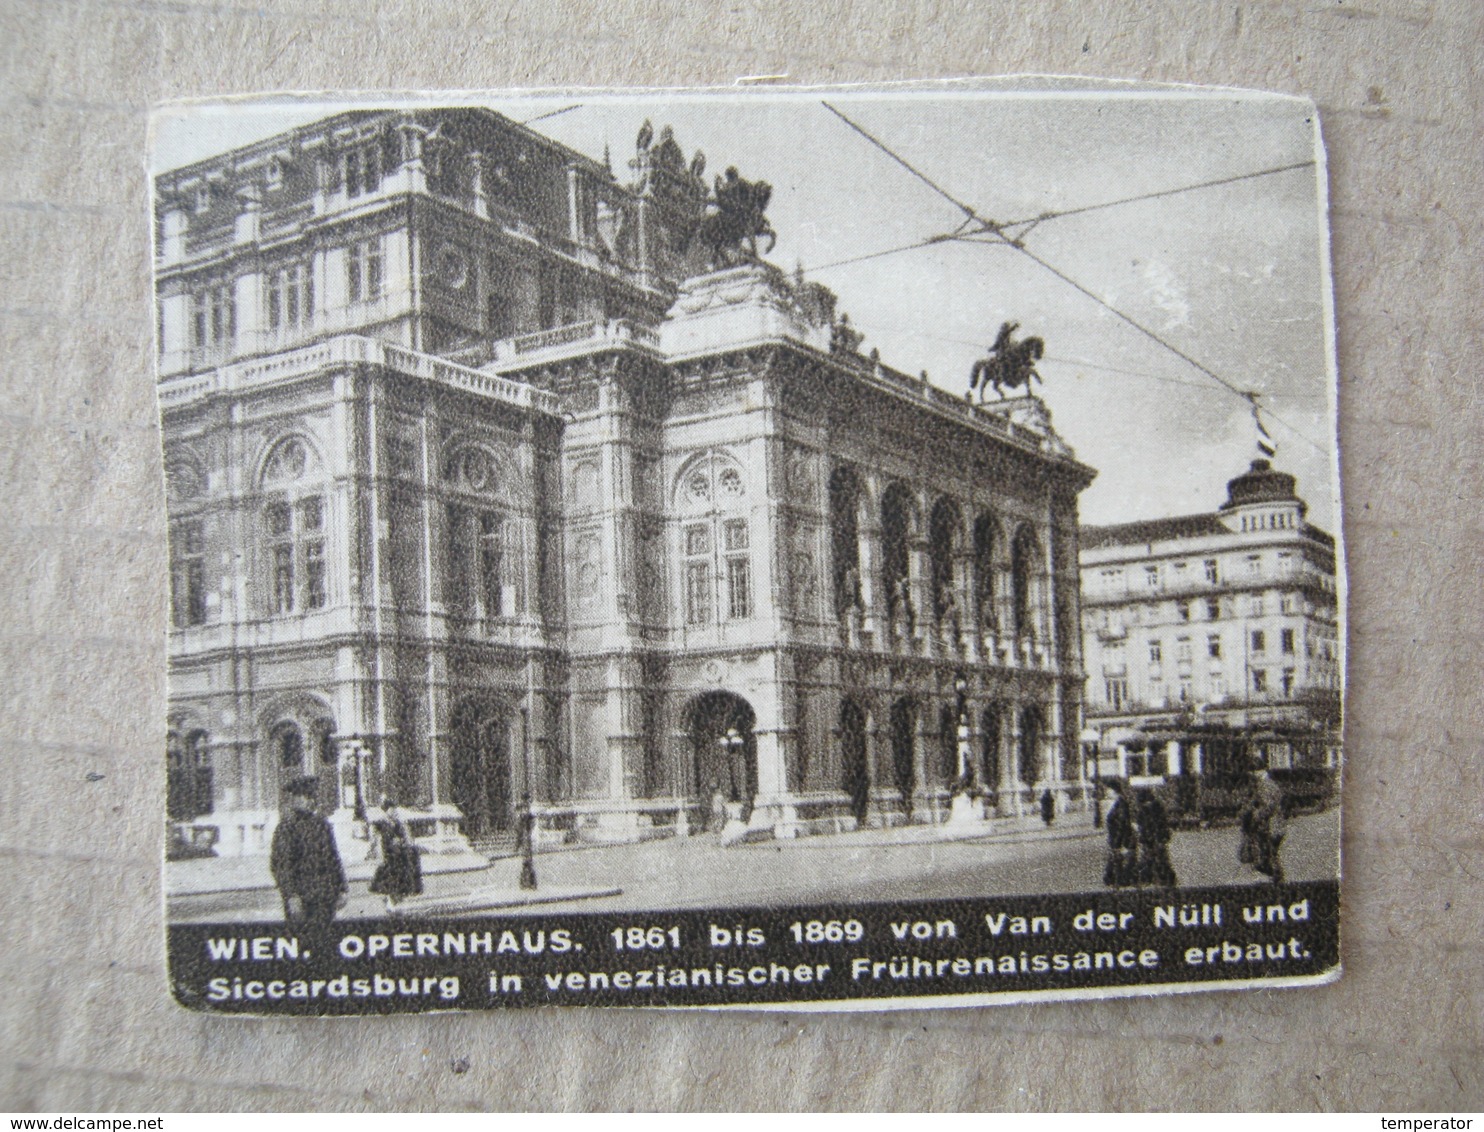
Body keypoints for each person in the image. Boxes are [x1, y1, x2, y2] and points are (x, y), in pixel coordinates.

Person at [269, 775, 347, 929]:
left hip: (326, 897)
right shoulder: (286, 828)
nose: (312, 801)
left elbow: (333, 859)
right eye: (307, 797)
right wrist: (291, 896)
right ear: (295, 799)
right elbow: (281, 865)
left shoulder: (323, 825)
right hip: (302, 899)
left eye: (313, 797)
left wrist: (342, 888)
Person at [368, 796, 423, 910]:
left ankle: (395, 901)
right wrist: (376, 852)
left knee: (400, 880)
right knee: (389, 881)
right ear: (386, 811)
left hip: (399, 855)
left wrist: (403, 839)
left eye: (394, 809)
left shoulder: (398, 823)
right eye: (391, 810)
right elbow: (376, 840)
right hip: (387, 855)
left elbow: (406, 838)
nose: (393, 812)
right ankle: (390, 900)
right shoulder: (381, 824)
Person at [1243, 762, 1288, 884]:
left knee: (1269, 855)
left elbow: (1268, 807)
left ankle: (1278, 881)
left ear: (1258, 771)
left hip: (1271, 826)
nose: (1252, 775)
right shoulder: (1271, 784)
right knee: (1269, 854)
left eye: (1252, 772)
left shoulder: (1265, 786)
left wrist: (1255, 817)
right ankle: (1276, 879)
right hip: (1277, 825)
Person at [1135, 788, 1178, 887]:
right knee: (1159, 858)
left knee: (1153, 858)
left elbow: (1145, 825)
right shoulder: (1157, 807)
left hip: (1152, 839)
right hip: (1157, 838)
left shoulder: (1147, 810)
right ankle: (1164, 879)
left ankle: (1152, 879)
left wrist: (1143, 837)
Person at [1102, 779, 1138, 888]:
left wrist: (1121, 843)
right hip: (1116, 838)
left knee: (1119, 860)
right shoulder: (1116, 803)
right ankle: (1117, 881)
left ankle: (1120, 882)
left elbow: (1123, 825)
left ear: (1114, 791)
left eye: (1108, 790)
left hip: (1121, 839)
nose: (1106, 792)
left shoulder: (1121, 804)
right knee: (1117, 860)